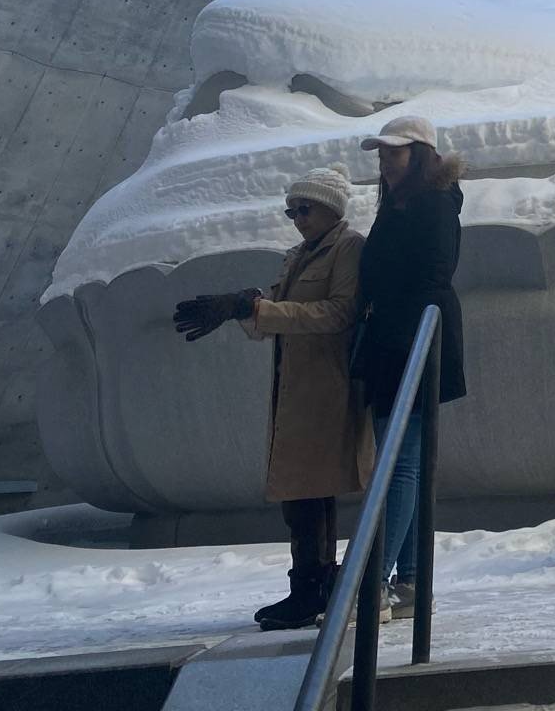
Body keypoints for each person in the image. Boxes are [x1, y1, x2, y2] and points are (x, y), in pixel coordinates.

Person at [173, 165, 373, 630]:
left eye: (304, 208)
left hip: (325, 387)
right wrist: (240, 307)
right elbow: (276, 317)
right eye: (290, 211)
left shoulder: (348, 247)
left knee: (307, 491)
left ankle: (311, 587)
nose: (297, 217)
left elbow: (338, 312)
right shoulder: (299, 254)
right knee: (303, 492)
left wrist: (257, 309)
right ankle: (314, 583)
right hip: (294, 389)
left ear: (329, 208)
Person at [352, 115, 467, 619]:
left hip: (414, 342)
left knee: (400, 464)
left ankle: (375, 585)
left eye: (393, 152)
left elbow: (434, 275)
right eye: (380, 153)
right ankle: (413, 582)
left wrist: (400, 336)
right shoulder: (400, 204)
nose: (384, 161)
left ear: (418, 154)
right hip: (397, 341)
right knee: (408, 464)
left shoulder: (434, 202)